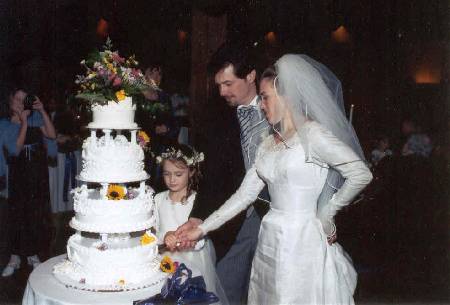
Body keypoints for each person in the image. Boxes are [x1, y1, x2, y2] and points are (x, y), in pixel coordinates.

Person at [178, 54, 373, 304]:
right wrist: (201, 229)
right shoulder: (269, 143)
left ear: (287, 97)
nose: (261, 104)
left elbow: (360, 173)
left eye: (266, 97)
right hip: (270, 237)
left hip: (301, 239)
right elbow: (244, 195)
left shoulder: (313, 135)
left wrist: (327, 212)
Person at [177, 43, 271, 304]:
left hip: (279, 220)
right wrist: (197, 216)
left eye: (228, 83)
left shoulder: (280, 107)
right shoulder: (215, 117)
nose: (222, 92)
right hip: (235, 223)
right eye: (218, 85)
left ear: (250, 76)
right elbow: (212, 176)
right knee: (225, 292)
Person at [154, 144, 227, 304]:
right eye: (167, 174)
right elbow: (155, 231)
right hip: (165, 258)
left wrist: (183, 241)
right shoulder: (158, 199)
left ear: (191, 171)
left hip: (193, 259)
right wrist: (165, 236)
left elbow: (201, 236)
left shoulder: (197, 202)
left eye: (178, 174)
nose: (172, 179)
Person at [1, 87, 56, 277]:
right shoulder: (5, 124)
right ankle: (15, 257)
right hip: (17, 171)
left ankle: (32, 255)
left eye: (24, 100)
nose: (20, 103)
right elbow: (15, 149)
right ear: (10, 101)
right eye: (17, 99)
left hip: (36, 170)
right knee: (17, 214)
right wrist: (23, 123)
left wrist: (41, 110)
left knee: (34, 213)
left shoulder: (34, 117)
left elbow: (51, 135)